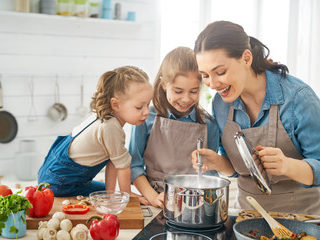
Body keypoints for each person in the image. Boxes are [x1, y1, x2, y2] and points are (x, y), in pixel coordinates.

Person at [191, 20, 320, 215]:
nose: (213, 84)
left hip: (303, 221)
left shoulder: (298, 98)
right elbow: (236, 169)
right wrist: (218, 162)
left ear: (246, 58)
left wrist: (287, 165)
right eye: (205, 75)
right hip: (248, 220)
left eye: (220, 72)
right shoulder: (221, 104)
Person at [38, 66, 153, 197]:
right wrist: (127, 196)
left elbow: (114, 161)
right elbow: (123, 167)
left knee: (108, 192)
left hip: (53, 176)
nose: (147, 112)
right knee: (110, 195)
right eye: (139, 107)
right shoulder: (111, 127)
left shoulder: (104, 116)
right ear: (116, 104)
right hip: (61, 183)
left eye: (148, 104)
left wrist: (110, 195)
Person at [129, 47, 220, 208]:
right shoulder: (146, 118)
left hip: (194, 204)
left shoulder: (209, 125)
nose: (186, 99)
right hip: (154, 200)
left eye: (193, 91)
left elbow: (210, 173)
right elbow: (134, 165)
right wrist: (153, 197)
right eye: (178, 91)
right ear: (164, 85)